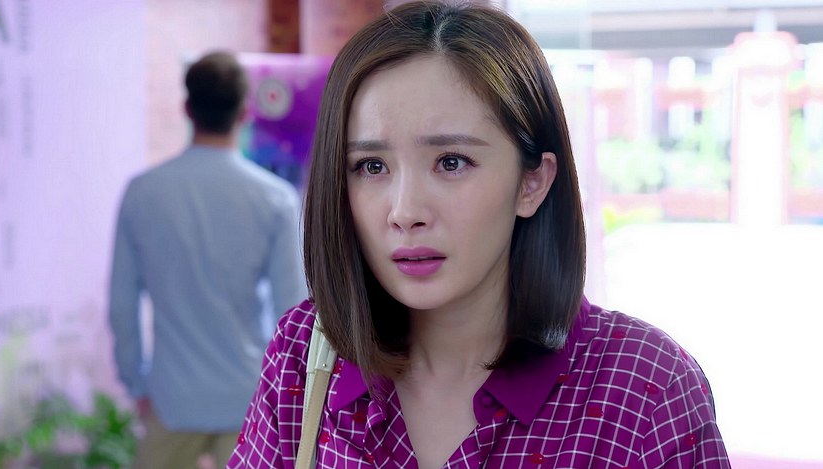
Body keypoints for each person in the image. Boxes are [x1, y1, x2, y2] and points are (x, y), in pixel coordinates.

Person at [227, 2, 730, 468]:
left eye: (451, 162)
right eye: (372, 166)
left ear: (532, 183)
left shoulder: (646, 389)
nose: (405, 212)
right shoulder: (305, 354)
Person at [108, 51, 308, 468]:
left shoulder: (143, 193)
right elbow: (291, 311)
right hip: (249, 399)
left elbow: (122, 306)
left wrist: (136, 383)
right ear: (245, 113)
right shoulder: (276, 199)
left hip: (171, 398)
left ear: (187, 109)